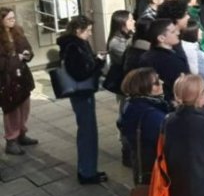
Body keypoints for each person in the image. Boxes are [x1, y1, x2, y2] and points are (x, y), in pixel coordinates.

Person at [58, 15, 107, 184]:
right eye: (88, 31)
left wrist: (94, 60)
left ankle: (87, 169)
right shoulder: (74, 47)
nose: (90, 34)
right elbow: (81, 73)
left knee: (87, 131)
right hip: (81, 93)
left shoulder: (76, 43)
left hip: (81, 92)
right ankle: (87, 172)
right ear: (78, 31)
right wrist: (98, 62)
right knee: (88, 132)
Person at [118, 68, 168, 187]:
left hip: (143, 165)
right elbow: (169, 140)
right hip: (154, 169)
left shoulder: (132, 104)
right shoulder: (150, 115)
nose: (162, 82)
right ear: (143, 88)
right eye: (156, 82)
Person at [0, 7, 37, 156]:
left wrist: (27, 55)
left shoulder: (18, 31)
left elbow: (27, 48)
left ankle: (21, 133)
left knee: (24, 106)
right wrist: (16, 58)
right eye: (9, 19)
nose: (13, 21)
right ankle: (11, 140)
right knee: (11, 110)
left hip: (22, 76)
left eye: (13, 18)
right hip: (6, 80)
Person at [105, 10, 134, 164]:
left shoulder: (128, 37)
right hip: (124, 85)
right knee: (125, 116)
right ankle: (126, 150)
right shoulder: (116, 43)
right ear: (122, 23)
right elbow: (128, 58)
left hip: (131, 83)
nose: (133, 22)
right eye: (130, 20)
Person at [137, 19, 191, 103]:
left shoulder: (148, 55)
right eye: (173, 32)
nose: (178, 33)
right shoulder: (165, 60)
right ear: (161, 38)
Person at [181, 20, 204, 94]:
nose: (201, 32)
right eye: (199, 30)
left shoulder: (185, 47)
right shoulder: (194, 53)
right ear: (192, 33)